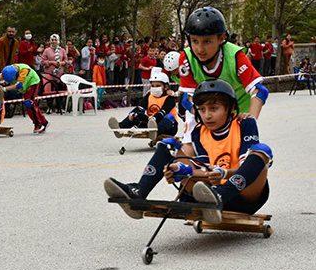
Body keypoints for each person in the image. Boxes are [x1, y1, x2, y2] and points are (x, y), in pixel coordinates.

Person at [104, 79, 273, 224]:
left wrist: (224, 173)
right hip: (209, 193)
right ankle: (139, 192)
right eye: (202, 109)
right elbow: (200, 167)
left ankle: (220, 196)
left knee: (261, 151)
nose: (207, 115)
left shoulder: (244, 124)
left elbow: (248, 168)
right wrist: (177, 171)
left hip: (244, 195)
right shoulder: (198, 132)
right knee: (169, 145)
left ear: (229, 108)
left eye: (214, 109)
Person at [179, 6, 268, 119]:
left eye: (207, 41)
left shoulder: (235, 56)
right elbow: (187, 98)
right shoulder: (186, 58)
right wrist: (202, 117)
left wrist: (251, 120)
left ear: (221, 38)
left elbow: (260, 91)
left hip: (238, 111)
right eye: (195, 41)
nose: (200, 49)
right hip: (206, 112)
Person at [108, 67, 177, 141]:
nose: (154, 88)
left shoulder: (170, 98)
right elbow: (140, 107)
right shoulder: (149, 96)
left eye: (158, 86)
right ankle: (120, 127)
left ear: (166, 87)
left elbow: (163, 112)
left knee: (168, 117)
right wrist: (132, 114)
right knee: (136, 115)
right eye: (153, 86)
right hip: (151, 123)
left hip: (169, 126)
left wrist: (154, 119)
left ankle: (155, 131)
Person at [1, 63, 48, 133]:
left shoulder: (24, 71)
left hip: (32, 83)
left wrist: (4, 89)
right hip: (25, 86)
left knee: (29, 103)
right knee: (29, 105)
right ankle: (42, 122)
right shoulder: (7, 70)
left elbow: (18, 85)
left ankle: (40, 123)